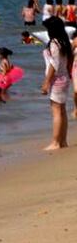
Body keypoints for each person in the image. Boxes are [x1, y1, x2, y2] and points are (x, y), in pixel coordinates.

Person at [41, 16, 72, 150]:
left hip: (57, 79)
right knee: (62, 111)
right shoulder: (64, 42)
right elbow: (68, 61)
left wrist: (46, 83)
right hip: (64, 78)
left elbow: (53, 65)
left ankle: (55, 142)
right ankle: (63, 141)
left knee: (56, 112)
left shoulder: (54, 43)